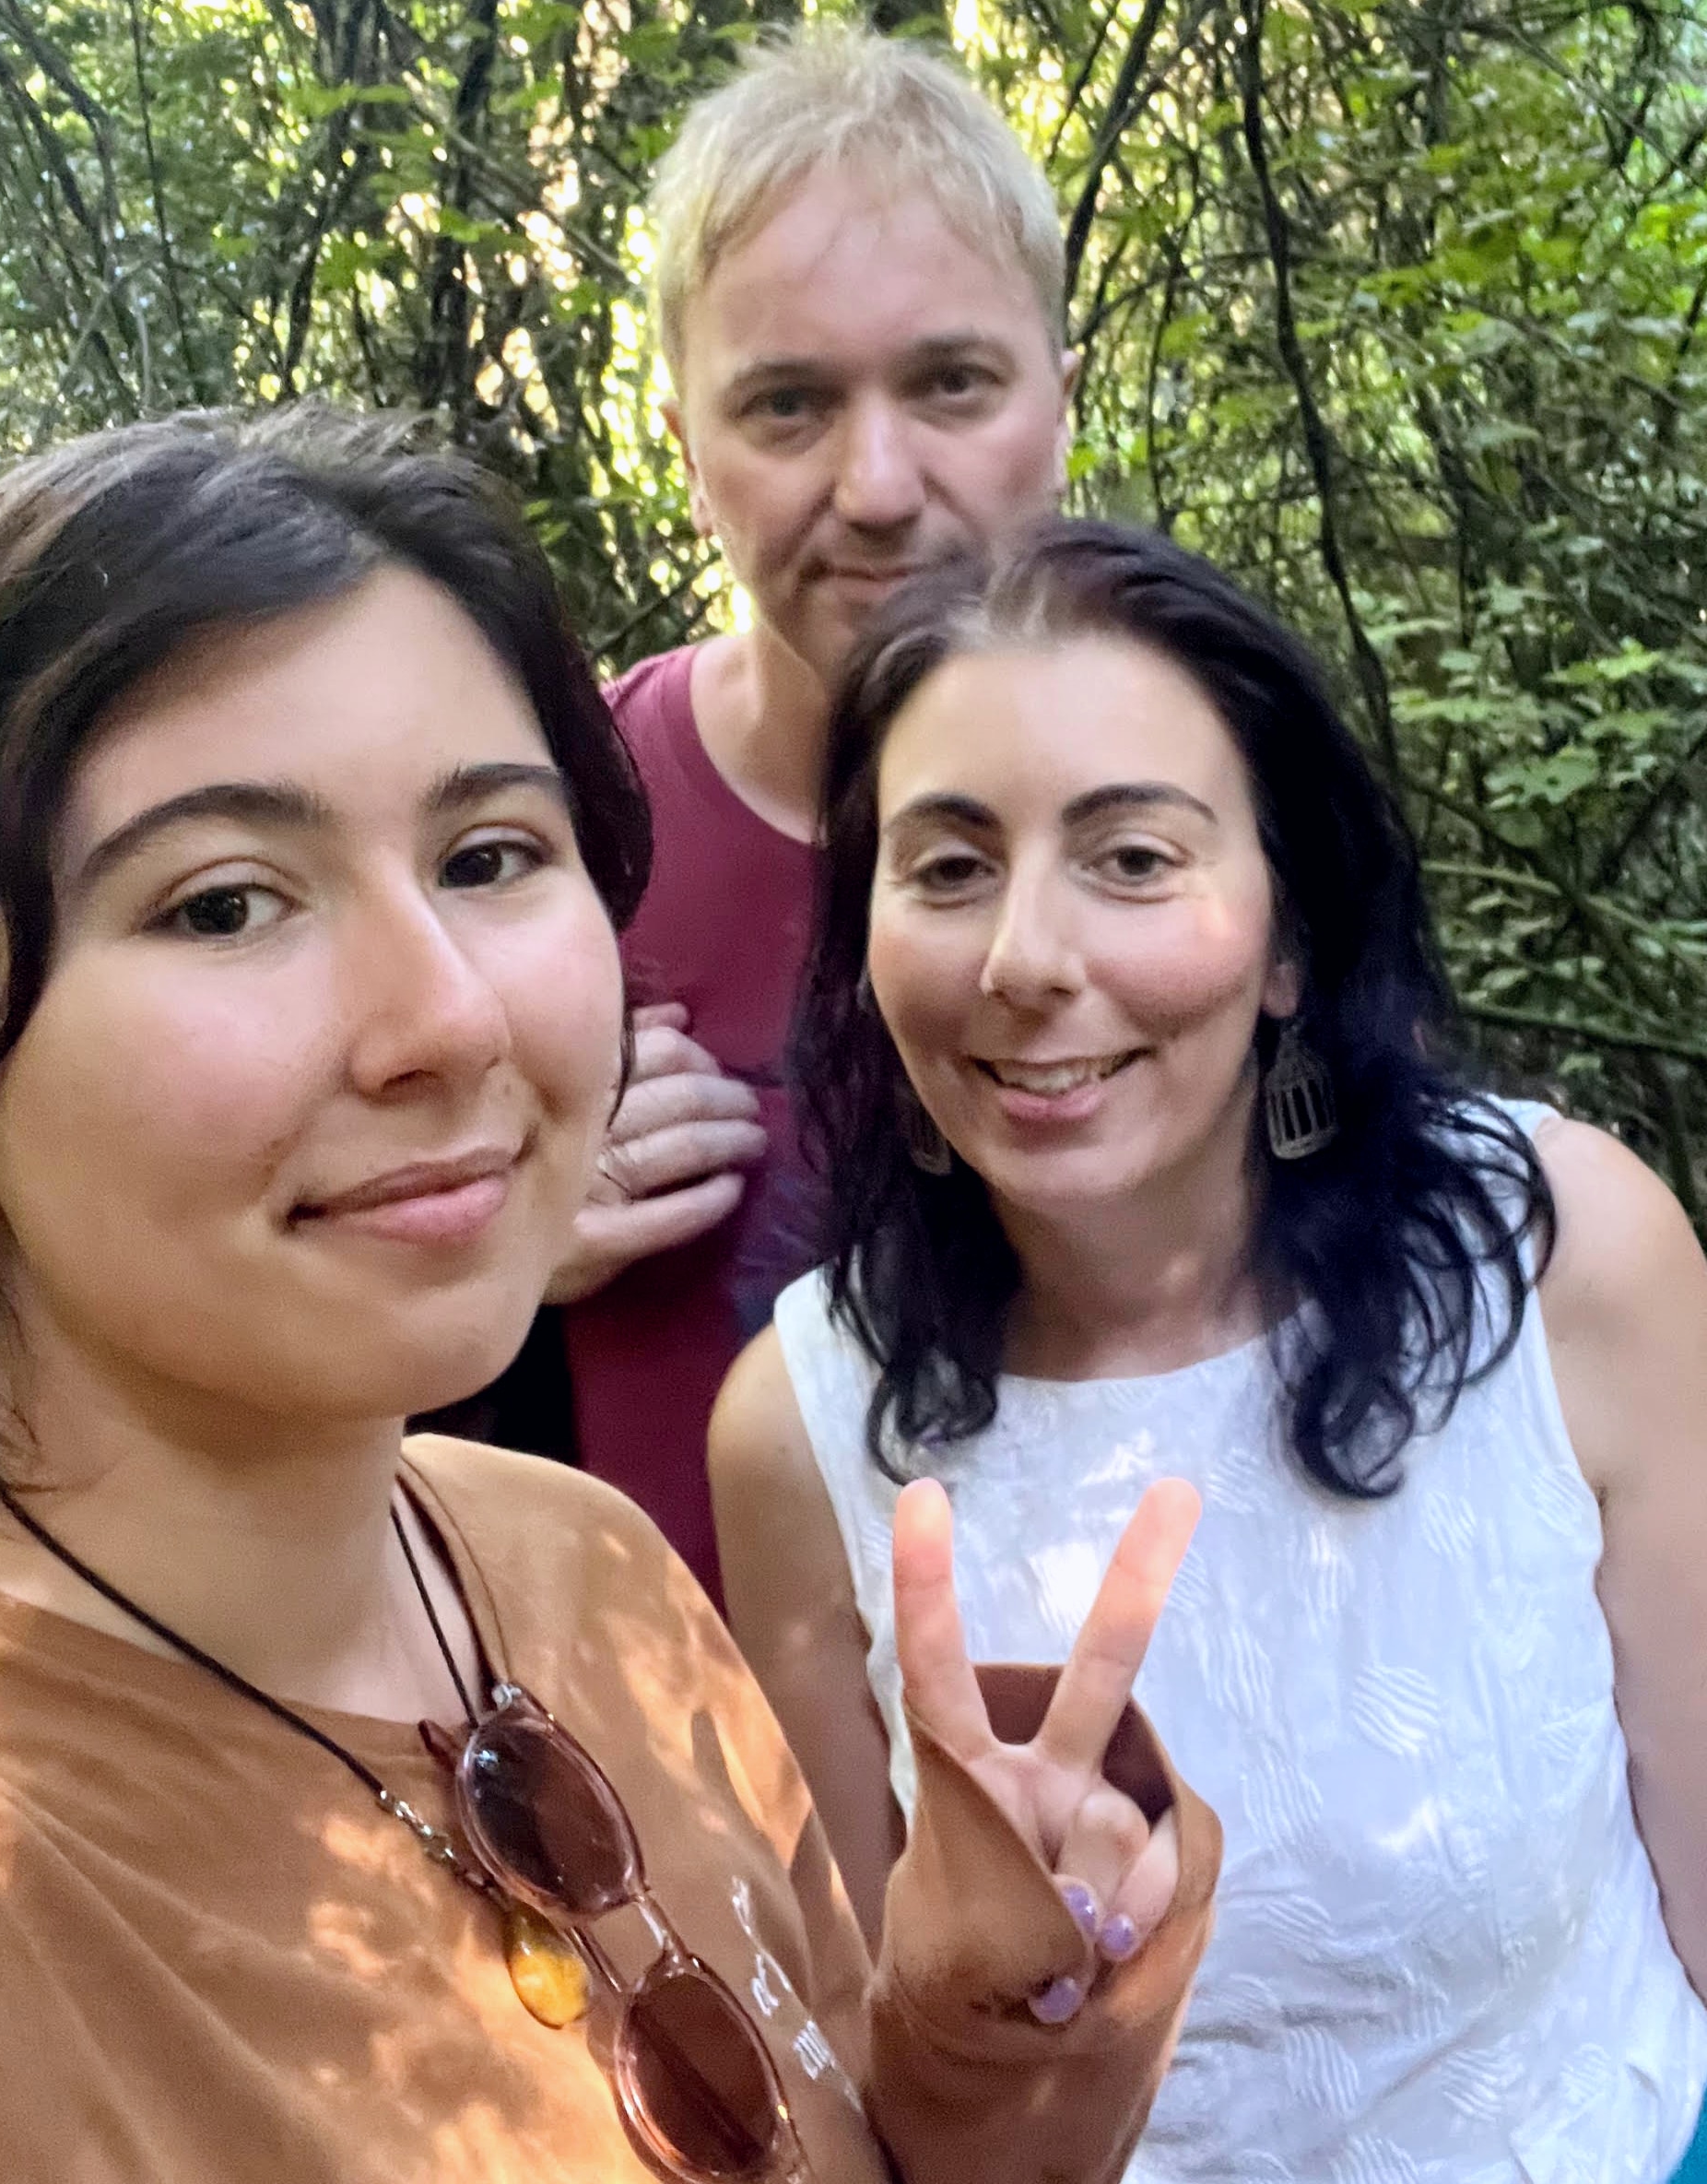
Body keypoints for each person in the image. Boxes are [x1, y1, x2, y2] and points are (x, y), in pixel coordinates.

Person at [0, 415, 1220, 2183]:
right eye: (223, 904)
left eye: (492, 856)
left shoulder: (579, 1558)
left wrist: (976, 2031)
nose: (449, 1019)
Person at [709, 520, 1707, 2178]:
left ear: (1289, 937)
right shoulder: (804, 1429)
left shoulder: (1562, 1260)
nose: (1028, 960)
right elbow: (873, 2093)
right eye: (950, 866)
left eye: (1134, 858)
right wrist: (989, 1995)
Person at [524, 25, 1077, 1603]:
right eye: (788, 408)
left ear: (1058, 395)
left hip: (1150, 1761)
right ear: (691, 452)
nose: (882, 482)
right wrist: (496, 1237)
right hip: (679, 1777)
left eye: (952, 383)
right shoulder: (549, 834)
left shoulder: (1230, 810)